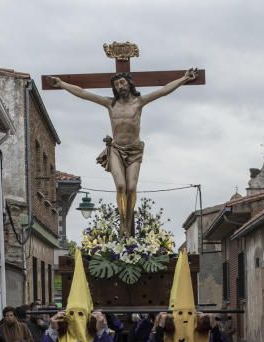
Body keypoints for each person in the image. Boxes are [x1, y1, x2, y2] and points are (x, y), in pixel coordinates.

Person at [48, 69, 198, 237]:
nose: (120, 86)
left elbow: (163, 90)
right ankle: (123, 228)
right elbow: (83, 93)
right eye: (117, 84)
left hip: (134, 150)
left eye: (122, 82)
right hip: (116, 150)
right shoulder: (110, 104)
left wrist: (184, 78)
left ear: (129, 84)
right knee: (121, 186)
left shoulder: (139, 102)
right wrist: (61, 84)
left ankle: (128, 224)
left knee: (132, 188)